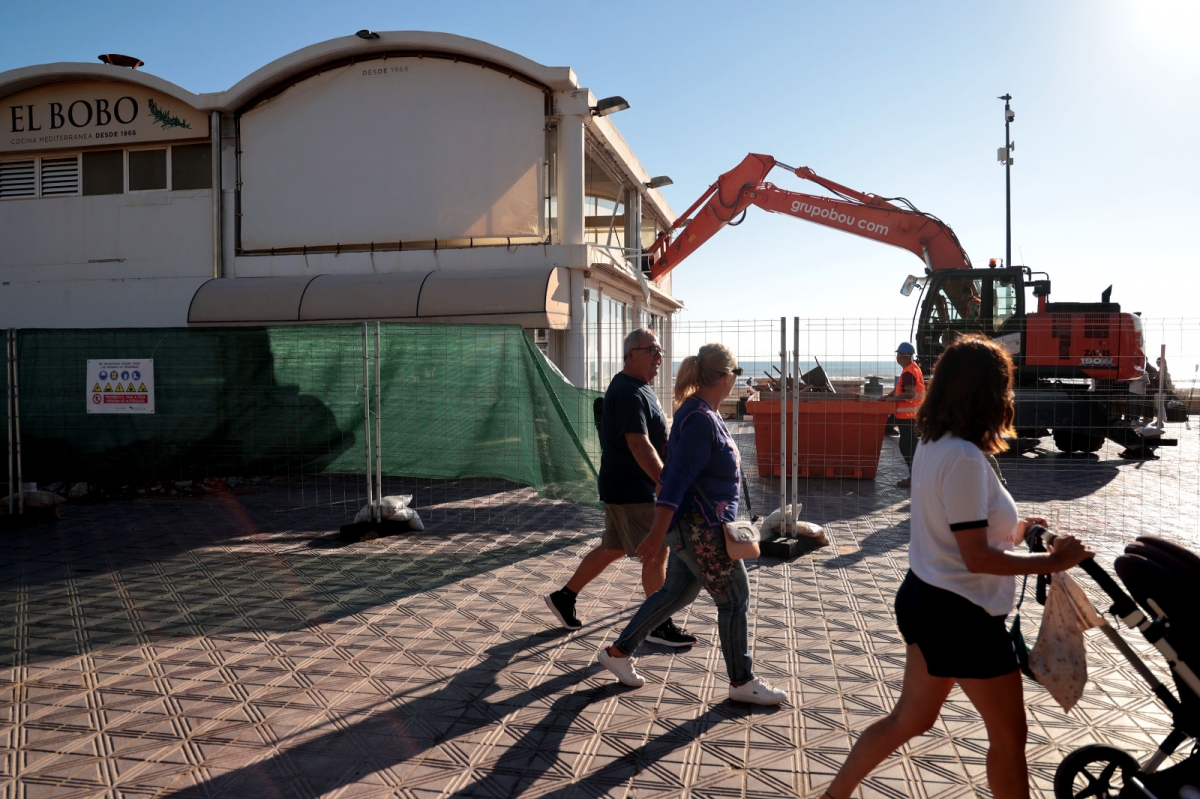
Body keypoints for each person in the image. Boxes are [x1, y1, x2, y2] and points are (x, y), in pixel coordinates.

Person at [824, 335, 1093, 799]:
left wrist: (1018, 527)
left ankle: (834, 796)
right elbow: (976, 558)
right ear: (989, 394)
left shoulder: (935, 443)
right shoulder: (965, 459)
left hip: (927, 598)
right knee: (1010, 739)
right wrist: (1053, 560)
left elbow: (960, 532)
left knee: (910, 719)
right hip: (961, 615)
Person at [594, 343, 788, 706]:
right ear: (727, 376)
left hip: (695, 524)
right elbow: (676, 479)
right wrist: (655, 534)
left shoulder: (698, 412)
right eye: (737, 375)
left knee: (675, 594)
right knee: (734, 600)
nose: (736, 382)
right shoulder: (699, 418)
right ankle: (741, 681)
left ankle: (618, 654)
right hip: (703, 528)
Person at [544, 328, 697, 647]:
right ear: (631, 355)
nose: (658, 357)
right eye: (652, 350)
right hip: (633, 491)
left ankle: (564, 597)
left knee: (612, 547)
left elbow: (654, 438)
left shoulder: (641, 388)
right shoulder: (629, 391)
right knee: (657, 553)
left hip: (623, 489)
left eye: (660, 352)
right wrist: (663, 483)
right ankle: (657, 624)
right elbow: (639, 445)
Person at [881, 342, 924, 489]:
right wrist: (887, 396)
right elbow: (900, 390)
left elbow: (909, 393)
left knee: (907, 447)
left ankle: (915, 478)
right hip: (912, 415)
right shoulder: (914, 368)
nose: (897, 358)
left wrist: (892, 399)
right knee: (911, 446)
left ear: (902, 356)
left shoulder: (908, 372)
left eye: (898, 355)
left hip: (907, 416)